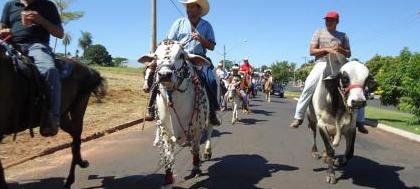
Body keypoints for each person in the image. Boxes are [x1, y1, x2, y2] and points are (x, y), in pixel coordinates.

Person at [289, 11, 368, 134]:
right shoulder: (319, 32)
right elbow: (312, 51)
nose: (328, 22)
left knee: (359, 86)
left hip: (341, 64)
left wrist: (340, 49)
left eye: (331, 20)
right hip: (322, 63)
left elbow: (349, 53)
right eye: (327, 20)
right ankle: (298, 117)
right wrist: (327, 49)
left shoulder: (343, 35)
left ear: (337, 22)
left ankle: (360, 120)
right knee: (309, 84)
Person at [1, 0, 64, 136]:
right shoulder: (10, 5)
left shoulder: (48, 5)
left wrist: (41, 20)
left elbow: (59, 33)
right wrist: (3, 31)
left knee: (49, 71)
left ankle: (52, 117)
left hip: (36, 45)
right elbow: (2, 26)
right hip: (10, 45)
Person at [167, 0, 220, 125]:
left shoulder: (207, 26)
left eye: (192, 7)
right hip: (180, 58)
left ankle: (212, 111)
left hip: (198, 58)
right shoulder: (178, 23)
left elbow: (211, 46)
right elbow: (169, 41)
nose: (189, 9)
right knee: (161, 73)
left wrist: (201, 39)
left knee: (211, 80)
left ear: (199, 9)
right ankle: (153, 108)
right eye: (187, 7)